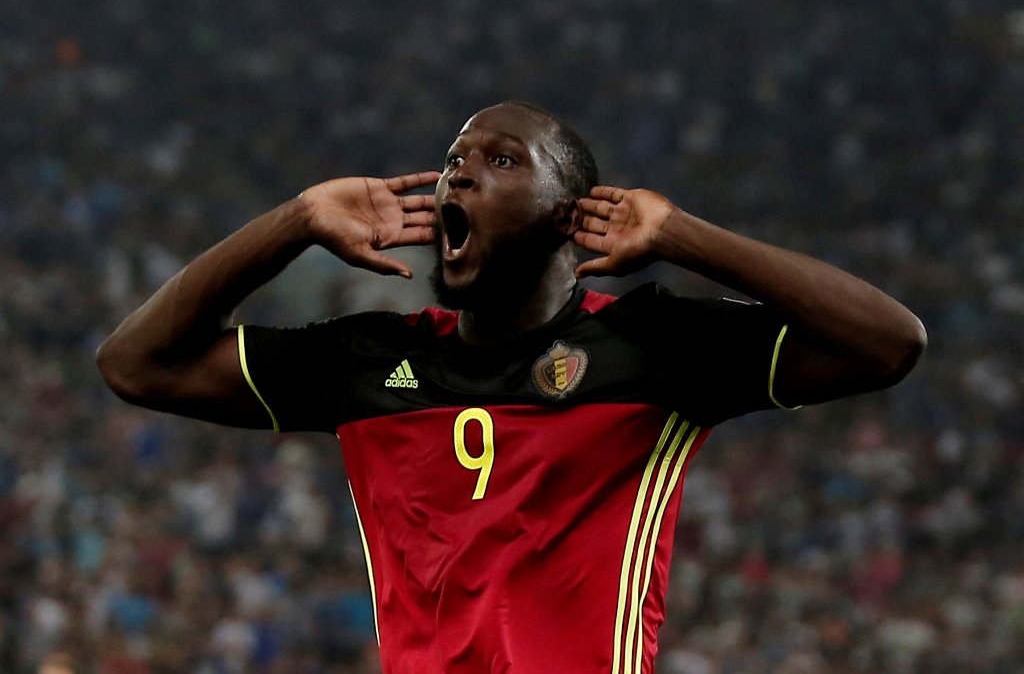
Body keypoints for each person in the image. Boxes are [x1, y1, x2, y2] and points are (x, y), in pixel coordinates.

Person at [97, 100, 926, 673]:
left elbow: (888, 342)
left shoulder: (654, 346)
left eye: (498, 160)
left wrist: (684, 236)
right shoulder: (366, 362)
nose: (457, 177)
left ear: (573, 213)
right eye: (453, 161)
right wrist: (294, 221)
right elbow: (135, 364)